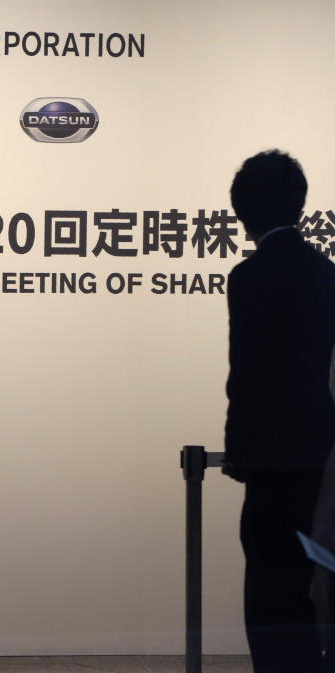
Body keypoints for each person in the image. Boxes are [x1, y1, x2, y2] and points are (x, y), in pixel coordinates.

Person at [222, 150, 335, 673]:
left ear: (241, 211)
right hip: (323, 461)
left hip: (271, 465)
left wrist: (238, 453)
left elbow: (247, 375)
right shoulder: (326, 274)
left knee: (271, 594)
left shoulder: (250, 277)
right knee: (320, 590)